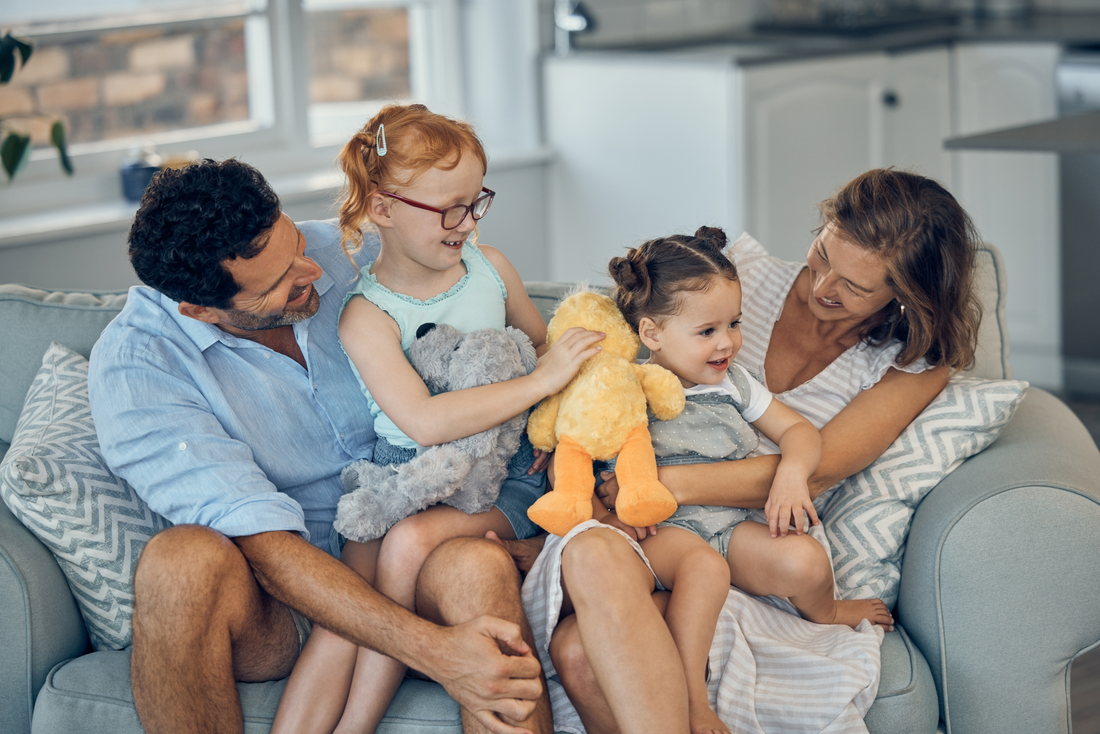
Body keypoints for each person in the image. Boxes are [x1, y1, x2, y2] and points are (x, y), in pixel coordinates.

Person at [87, 158, 551, 734]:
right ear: (202, 310)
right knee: (179, 563)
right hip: (293, 600)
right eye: (279, 281)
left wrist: (551, 425)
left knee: (473, 567)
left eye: (298, 244)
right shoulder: (139, 365)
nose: (313, 268)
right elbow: (265, 546)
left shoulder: (360, 251)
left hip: (424, 536)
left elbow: (500, 328)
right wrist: (437, 652)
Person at [513, 168, 982, 733]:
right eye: (822, 254)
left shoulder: (913, 366)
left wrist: (660, 487)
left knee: (583, 652)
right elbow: (613, 358)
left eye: (855, 286)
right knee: (577, 649)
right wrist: (567, 430)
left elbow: (815, 470)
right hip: (645, 530)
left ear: (908, 295)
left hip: (753, 543)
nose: (823, 286)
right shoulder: (735, 277)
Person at [271, 104, 603, 734]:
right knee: (344, 612)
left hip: (495, 474)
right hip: (406, 475)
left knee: (406, 544)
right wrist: (538, 380)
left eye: (477, 202)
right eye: (449, 208)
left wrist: (554, 420)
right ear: (383, 207)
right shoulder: (366, 315)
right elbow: (422, 422)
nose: (467, 222)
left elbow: (541, 351)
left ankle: (357, 725)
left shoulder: (492, 268)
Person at [572, 224, 835, 734]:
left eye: (733, 323)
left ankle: (828, 612)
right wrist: (608, 516)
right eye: (707, 331)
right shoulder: (624, 387)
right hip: (663, 534)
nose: (728, 343)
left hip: (730, 525)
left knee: (805, 561)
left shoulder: (735, 383)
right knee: (705, 572)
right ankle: (693, 697)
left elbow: (798, 431)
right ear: (652, 333)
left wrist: (791, 474)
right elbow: (587, 463)